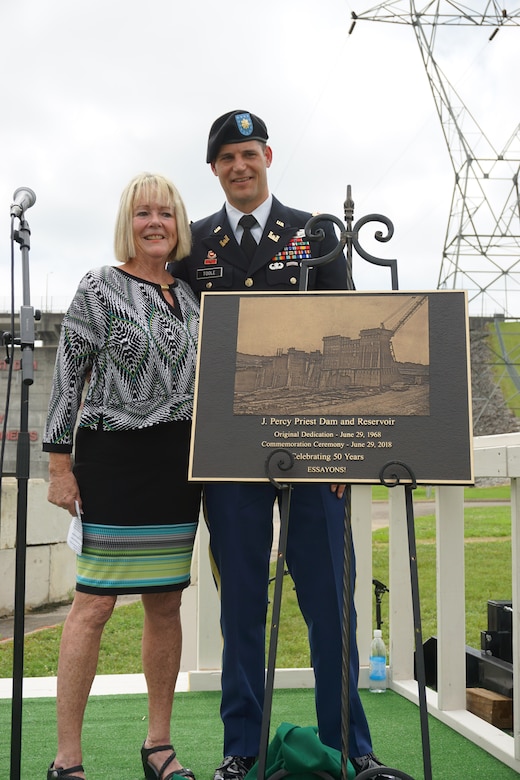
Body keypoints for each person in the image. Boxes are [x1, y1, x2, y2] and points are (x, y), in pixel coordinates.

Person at [173, 111, 397, 780]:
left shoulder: (316, 231)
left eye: (249, 153)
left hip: (315, 451)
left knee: (331, 603)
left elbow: (347, 319)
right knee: (241, 604)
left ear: (268, 154)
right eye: (226, 158)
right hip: (230, 455)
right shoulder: (195, 242)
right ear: (213, 169)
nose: (240, 166)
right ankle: (242, 748)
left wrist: (344, 459)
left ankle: (352, 749)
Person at [43, 172, 201, 780]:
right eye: (143, 214)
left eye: (165, 212)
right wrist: (60, 466)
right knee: (94, 604)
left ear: (179, 223)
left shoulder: (188, 298)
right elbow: (66, 384)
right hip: (111, 459)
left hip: (175, 467)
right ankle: (67, 759)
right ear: (126, 224)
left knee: (166, 603)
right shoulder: (98, 287)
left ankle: (158, 746)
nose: (155, 222)